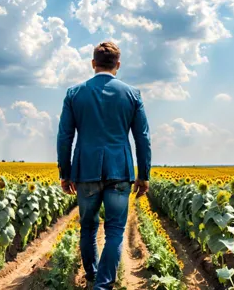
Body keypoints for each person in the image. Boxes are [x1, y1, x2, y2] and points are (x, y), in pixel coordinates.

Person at [57, 41, 151, 290]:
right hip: (120, 171)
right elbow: (142, 138)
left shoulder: (74, 94)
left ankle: (92, 276)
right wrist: (144, 175)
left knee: (87, 227)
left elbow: (65, 137)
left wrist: (65, 174)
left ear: (92, 63)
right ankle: (104, 285)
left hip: (85, 171)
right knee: (115, 231)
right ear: (117, 65)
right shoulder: (132, 94)